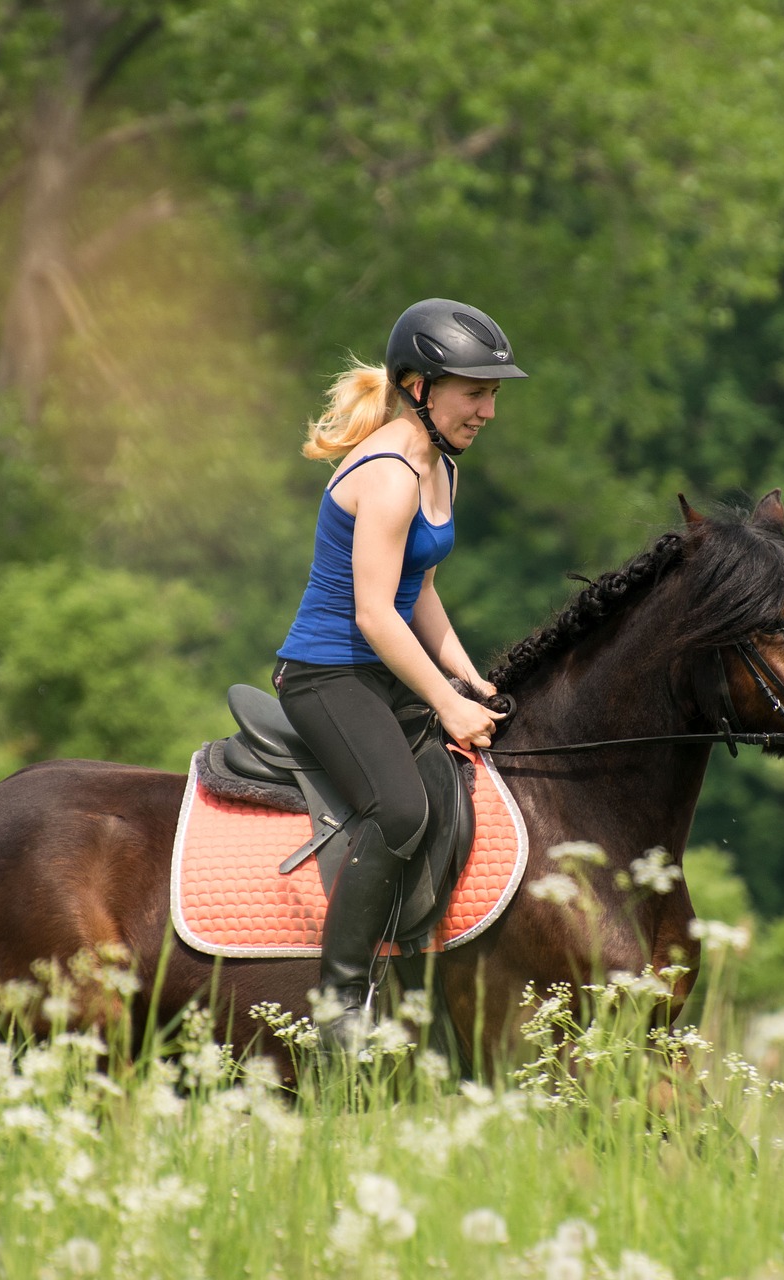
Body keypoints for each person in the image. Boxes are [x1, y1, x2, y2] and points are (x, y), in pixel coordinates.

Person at [273, 298, 524, 1052]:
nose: (487, 410)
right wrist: (446, 705)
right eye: (474, 392)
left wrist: (471, 677)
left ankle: (417, 985)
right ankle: (339, 1003)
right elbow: (377, 616)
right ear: (418, 386)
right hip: (326, 675)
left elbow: (423, 594)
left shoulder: (439, 463)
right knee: (401, 812)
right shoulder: (388, 474)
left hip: (384, 672)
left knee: (453, 795)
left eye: (493, 394)